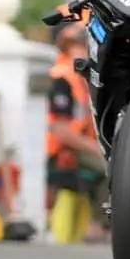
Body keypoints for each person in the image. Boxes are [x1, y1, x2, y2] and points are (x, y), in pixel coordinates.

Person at [46, 23, 107, 244]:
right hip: (62, 150)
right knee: (109, 166)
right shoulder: (61, 79)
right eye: (76, 46)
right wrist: (97, 149)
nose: (81, 51)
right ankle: (100, 225)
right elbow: (61, 132)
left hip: (81, 145)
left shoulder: (84, 79)